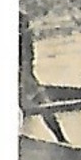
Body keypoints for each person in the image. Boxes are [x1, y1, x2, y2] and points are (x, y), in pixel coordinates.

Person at [19, 12, 67, 143]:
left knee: (44, 105)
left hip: (25, 76)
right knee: (43, 105)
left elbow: (28, 59)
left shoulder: (22, 22)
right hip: (23, 76)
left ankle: (61, 139)